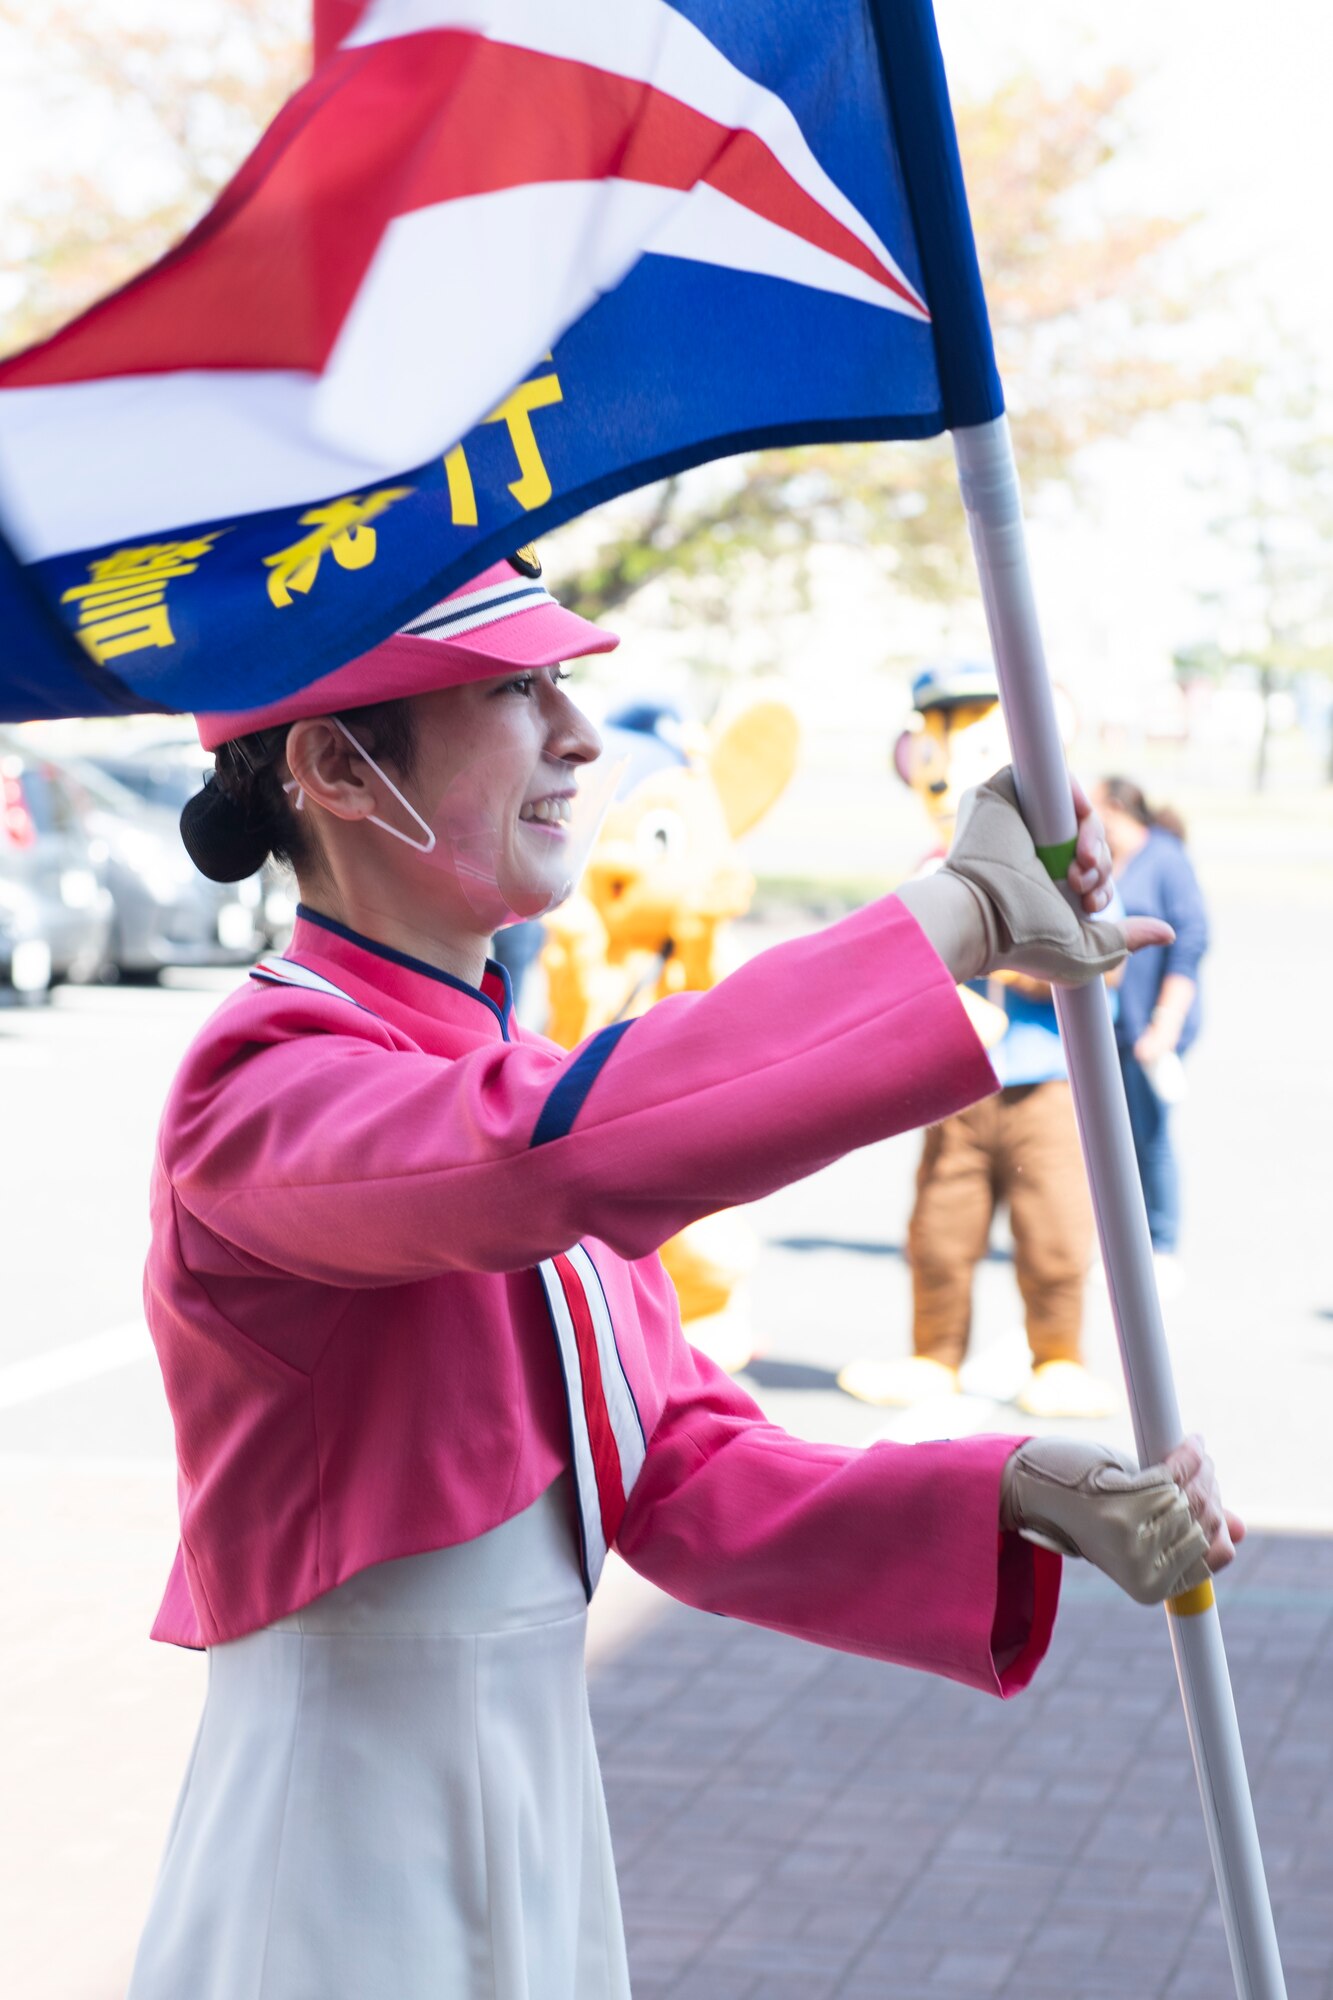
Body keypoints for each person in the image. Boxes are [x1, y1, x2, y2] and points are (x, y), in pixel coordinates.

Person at [127, 555, 1240, 2000]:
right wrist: (948, 919)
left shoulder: (498, 1083)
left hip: (537, 1812)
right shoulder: (262, 1085)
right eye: (518, 691)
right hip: (335, 1838)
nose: (579, 738)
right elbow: (546, 1163)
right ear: (339, 766)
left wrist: (1022, 1487)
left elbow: (680, 1472)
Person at [840, 662, 1116, 1418]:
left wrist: (1018, 959)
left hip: (1043, 1083)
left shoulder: (1064, 856)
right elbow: (894, 957)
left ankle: (1057, 1354)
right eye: (939, 737)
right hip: (953, 1084)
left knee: (1054, 1229)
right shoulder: (930, 865)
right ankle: (933, 1353)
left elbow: (1100, 952)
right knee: (938, 1227)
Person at [1092, 777, 1209, 1285]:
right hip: (1112, 1026)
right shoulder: (1108, 860)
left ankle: (1162, 1247)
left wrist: (1166, 1021)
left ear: (1115, 809)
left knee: (1151, 1135)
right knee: (1113, 1137)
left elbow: (1191, 942)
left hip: (1149, 1025)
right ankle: (1125, 1244)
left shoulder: (1165, 858)